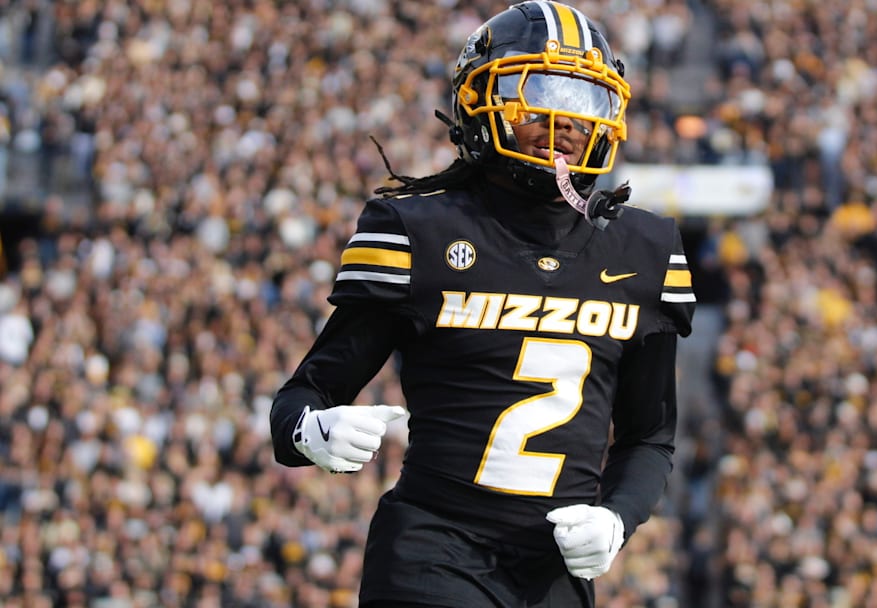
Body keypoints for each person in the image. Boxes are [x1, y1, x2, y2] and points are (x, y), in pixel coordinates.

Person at [269, 2, 695, 606]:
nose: (563, 118)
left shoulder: (644, 248)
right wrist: (312, 429)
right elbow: (301, 398)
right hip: (432, 552)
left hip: (554, 572)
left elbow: (650, 435)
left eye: (583, 101)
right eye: (540, 92)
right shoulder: (420, 230)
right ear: (478, 104)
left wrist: (618, 517)